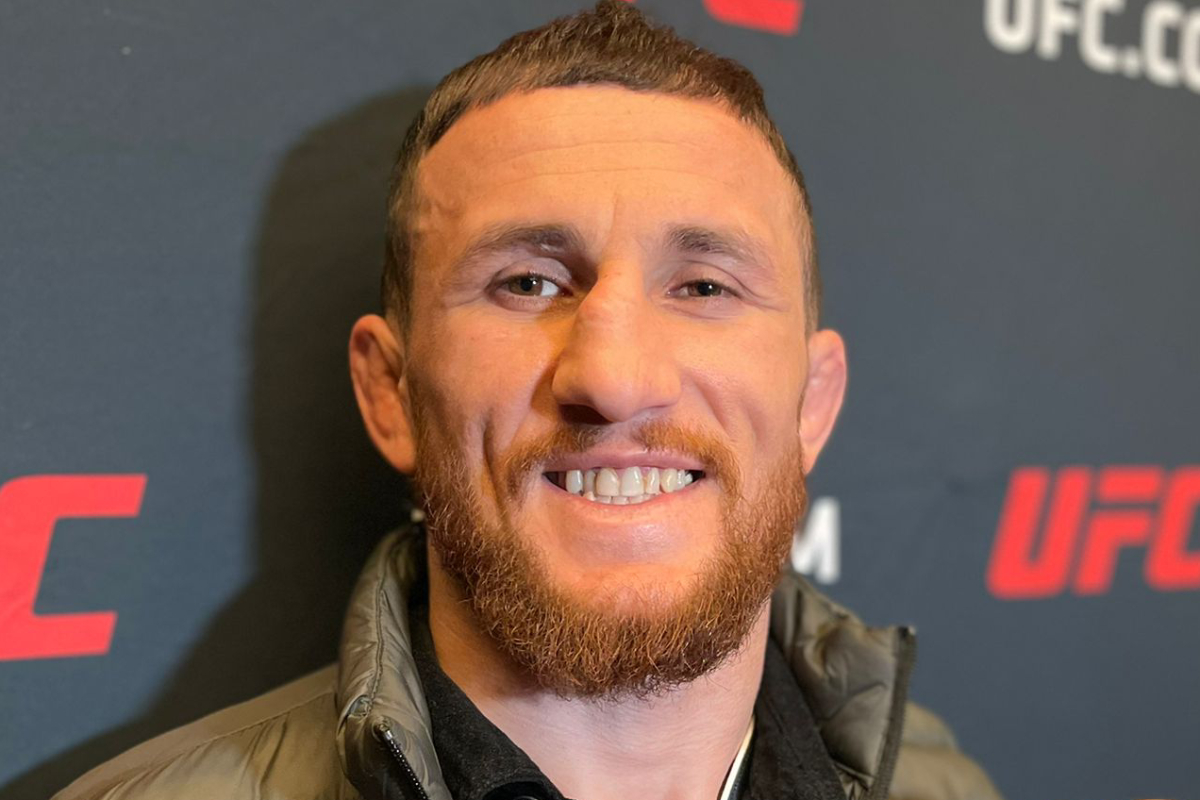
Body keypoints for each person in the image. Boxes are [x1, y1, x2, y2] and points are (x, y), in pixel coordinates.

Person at [55, 3, 1002, 799]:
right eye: (527, 284)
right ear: (389, 391)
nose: (615, 379)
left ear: (812, 404)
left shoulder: (944, 785)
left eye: (704, 286)